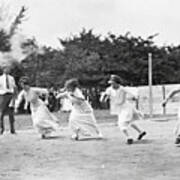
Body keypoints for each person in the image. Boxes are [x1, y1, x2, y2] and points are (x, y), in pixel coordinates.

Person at [100, 75, 146, 144]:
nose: (112, 84)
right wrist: (103, 98)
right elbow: (105, 96)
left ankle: (129, 137)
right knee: (129, 121)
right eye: (111, 83)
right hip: (119, 108)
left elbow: (133, 94)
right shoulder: (109, 89)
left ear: (117, 83)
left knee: (121, 123)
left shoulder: (122, 89)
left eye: (113, 83)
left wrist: (135, 97)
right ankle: (141, 131)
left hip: (126, 107)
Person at [0, 65, 17, 134]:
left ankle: (12, 129)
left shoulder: (11, 78)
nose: (7, 70)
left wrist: (14, 96)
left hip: (10, 95)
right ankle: (2, 129)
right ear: (3, 70)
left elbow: (14, 86)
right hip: (3, 95)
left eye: (8, 69)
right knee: (1, 113)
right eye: (6, 69)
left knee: (11, 112)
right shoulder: (0, 78)